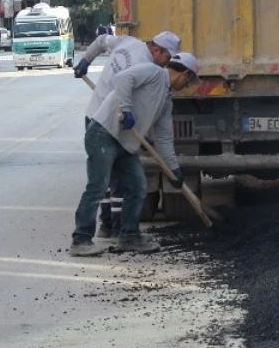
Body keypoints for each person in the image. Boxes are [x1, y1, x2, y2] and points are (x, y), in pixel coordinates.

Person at [70, 52, 199, 257]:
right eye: (189, 81)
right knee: (98, 186)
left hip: (125, 144)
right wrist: (127, 109)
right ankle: (81, 239)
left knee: (138, 186)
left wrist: (174, 169)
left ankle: (129, 236)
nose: (187, 86)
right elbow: (123, 79)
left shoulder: (166, 101)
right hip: (104, 133)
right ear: (185, 74)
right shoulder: (153, 72)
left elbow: (164, 140)